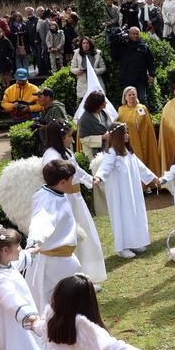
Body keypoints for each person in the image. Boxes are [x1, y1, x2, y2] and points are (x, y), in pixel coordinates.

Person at [41, 121, 106, 286]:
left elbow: (76, 170)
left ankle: (86, 275)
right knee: (72, 239)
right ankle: (75, 280)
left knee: (85, 237)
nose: (72, 139)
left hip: (75, 199)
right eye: (70, 136)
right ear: (60, 137)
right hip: (65, 201)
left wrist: (91, 180)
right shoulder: (51, 156)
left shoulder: (66, 152)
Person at [24, 160, 83, 312]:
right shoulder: (47, 200)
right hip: (55, 262)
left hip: (61, 258)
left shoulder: (51, 193)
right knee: (59, 301)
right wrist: (34, 241)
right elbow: (41, 220)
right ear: (63, 182)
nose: (72, 183)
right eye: (70, 180)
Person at [93, 124, 159, 259]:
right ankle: (122, 247)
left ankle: (135, 241)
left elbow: (141, 168)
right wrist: (99, 177)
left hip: (132, 193)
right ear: (116, 136)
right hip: (119, 195)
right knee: (122, 217)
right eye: (124, 133)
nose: (127, 135)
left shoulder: (128, 152)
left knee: (134, 215)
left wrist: (153, 178)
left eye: (127, 132)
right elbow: (105, 167)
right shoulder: (112, 153)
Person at [116, 86, 161, 177]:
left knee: (145, 160)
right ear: (125, 97)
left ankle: (148, 185)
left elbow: (147, 125)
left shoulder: (142, 108)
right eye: (129, 95)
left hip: (143, 139)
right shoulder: (121, 110)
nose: (132, 96)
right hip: (130, 141)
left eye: (134, 94)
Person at [110, 27, 155, 104]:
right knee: (127, 100)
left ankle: (144, 116)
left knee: (142, 99)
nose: (135, 36)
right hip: (127, 78)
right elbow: (114, 57)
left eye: (137, 34)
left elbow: (150, 61)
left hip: (141, 78)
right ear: (129, 34)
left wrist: (151, 74)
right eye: (133, 34)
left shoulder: (143, 46)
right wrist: (114, 43)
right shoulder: (122, 45)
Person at [70, 37, 106, 104]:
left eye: (87, 43)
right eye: (83, 43)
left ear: (90, 44)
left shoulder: (97, 54)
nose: (85, 45)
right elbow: (72, 68)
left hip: (95, 82)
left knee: (97, 105)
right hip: (83, 84)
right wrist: (78, 70)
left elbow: (103, 68)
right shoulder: (77, 53)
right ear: (81, 44)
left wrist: (95, 71)